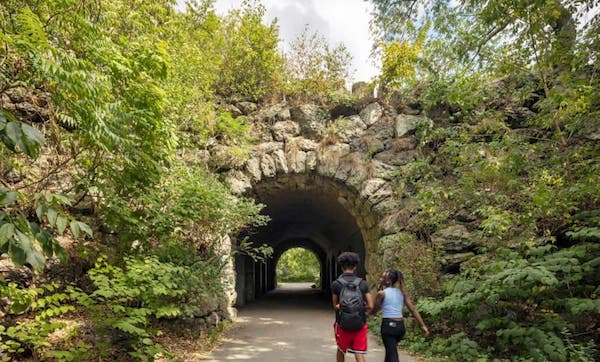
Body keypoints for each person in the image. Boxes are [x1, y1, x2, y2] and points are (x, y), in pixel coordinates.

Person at [371, 270, 429, 362]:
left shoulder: (381, 293)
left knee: (392, 354)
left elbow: (374, 309)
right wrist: (422, 325)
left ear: (388, 281)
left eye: (383, 277)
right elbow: (413, 309)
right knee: (390, 351)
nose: (380, 279)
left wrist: (368, 314)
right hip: (400, 328)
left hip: (388, 327)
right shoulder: (402, 293)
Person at [332, 252, 373, 362]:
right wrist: (361, 310)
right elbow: (370, 305)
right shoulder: (362, 283)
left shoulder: (336, 284)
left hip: (342, 322)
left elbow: (335, 305)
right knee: (359, 352)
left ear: (341, 267)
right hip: (360, 322)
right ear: (355, 267)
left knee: (341, 349)